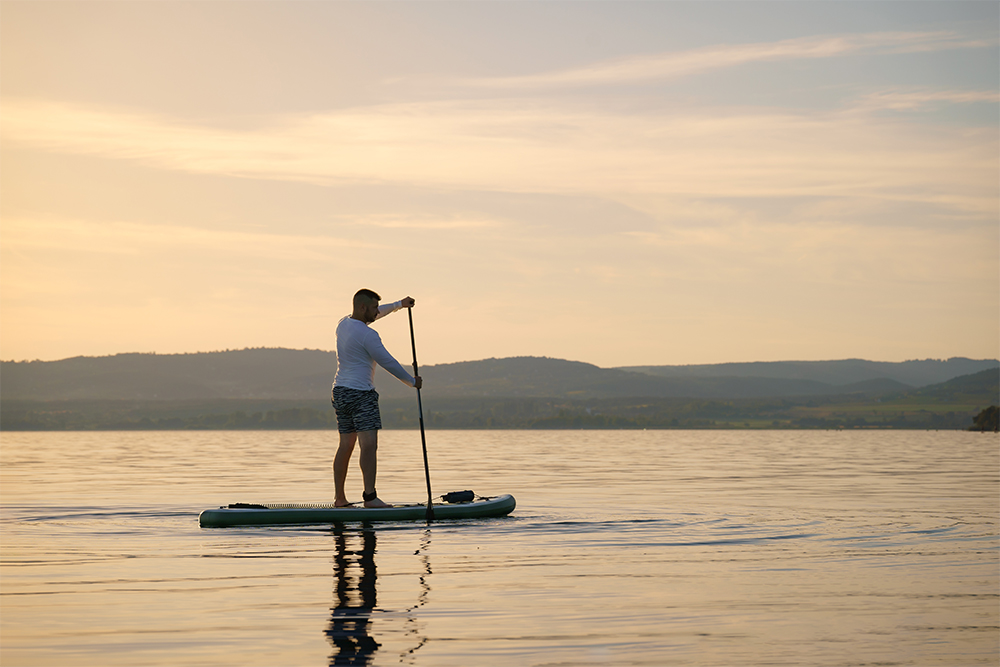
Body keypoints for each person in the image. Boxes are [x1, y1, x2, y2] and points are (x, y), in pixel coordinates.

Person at [332, 289, 421, 508]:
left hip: (340, 391)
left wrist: (399, 304)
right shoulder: (368, 335)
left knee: (346, 445)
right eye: (373, 308)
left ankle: (340, 499)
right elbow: (387, 361)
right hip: (361, 394)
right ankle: (370, 498)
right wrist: (411, 381)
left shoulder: (343, 323)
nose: (376, 312)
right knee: (369, 445)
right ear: (362, 308)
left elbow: (377, 313)